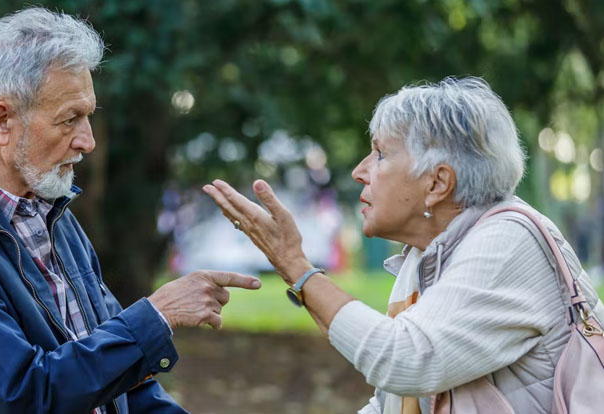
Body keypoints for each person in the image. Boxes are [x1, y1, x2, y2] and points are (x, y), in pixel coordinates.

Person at [0, 7, 262, 414]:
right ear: (3, 121)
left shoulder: (52, 215)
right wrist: (158, 314)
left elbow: (122, 384)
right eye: (70, 119)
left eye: (89, 116)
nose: (88, 141)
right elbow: (28, 396)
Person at [203, 76, 604, 414]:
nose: (360, 171)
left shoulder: (508, 242)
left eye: (380, 154)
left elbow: (405, 360)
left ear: (437, 184)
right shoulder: (426, 253)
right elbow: (392, 401)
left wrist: (296, 265)